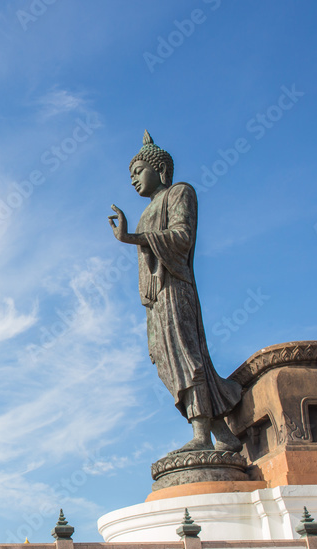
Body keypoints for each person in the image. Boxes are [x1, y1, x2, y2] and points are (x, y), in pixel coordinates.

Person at [108, 131, 242, 454]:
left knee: (186, 354)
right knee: (165, 359)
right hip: (156, 298)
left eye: (138, 171)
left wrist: (133, 239)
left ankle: (202, 434)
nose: (133, 180)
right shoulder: (145, 213)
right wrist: (133, 237)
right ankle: (222, 433)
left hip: (175, 286)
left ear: (160, 169)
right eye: (131, 176)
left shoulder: (180, 193)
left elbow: (182, 236)